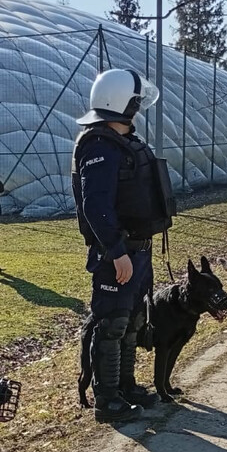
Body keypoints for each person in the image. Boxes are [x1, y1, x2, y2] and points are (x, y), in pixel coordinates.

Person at [72, 69, 174, 423]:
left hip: (138, 249)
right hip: (117, 252)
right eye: (136, 100)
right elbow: (95, 206)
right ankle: (107, 399)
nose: (139, 106)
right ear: (123, 104)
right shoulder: (99, 145)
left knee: (132, 321)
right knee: (113, 323)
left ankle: (125, 386)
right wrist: (116, 252)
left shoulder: (125, 141)